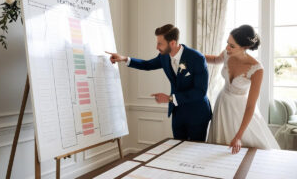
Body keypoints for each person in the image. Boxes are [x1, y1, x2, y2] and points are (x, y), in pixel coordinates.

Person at [106, 24, 212, 141]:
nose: (157, 47)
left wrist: (170, 98)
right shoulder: (164, 57)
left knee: (195, 153)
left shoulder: (197, 58)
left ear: (172, 43)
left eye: (160, 44)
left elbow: (200, 91)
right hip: (177, 114)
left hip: (197, 114)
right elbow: (147, 65)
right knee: (177, 150)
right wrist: (124, 59)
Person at [206, 25, 280, 154]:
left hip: (241, 110)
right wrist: (191, 54)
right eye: (227, 43)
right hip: (222, 104)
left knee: (252, 150)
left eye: (232, 46)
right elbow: (215, 59)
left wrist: (239, 136)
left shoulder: (256, 69)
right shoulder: (227, 54)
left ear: (245, 47)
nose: (227, 48)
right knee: (218, 148)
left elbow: (251, 106)